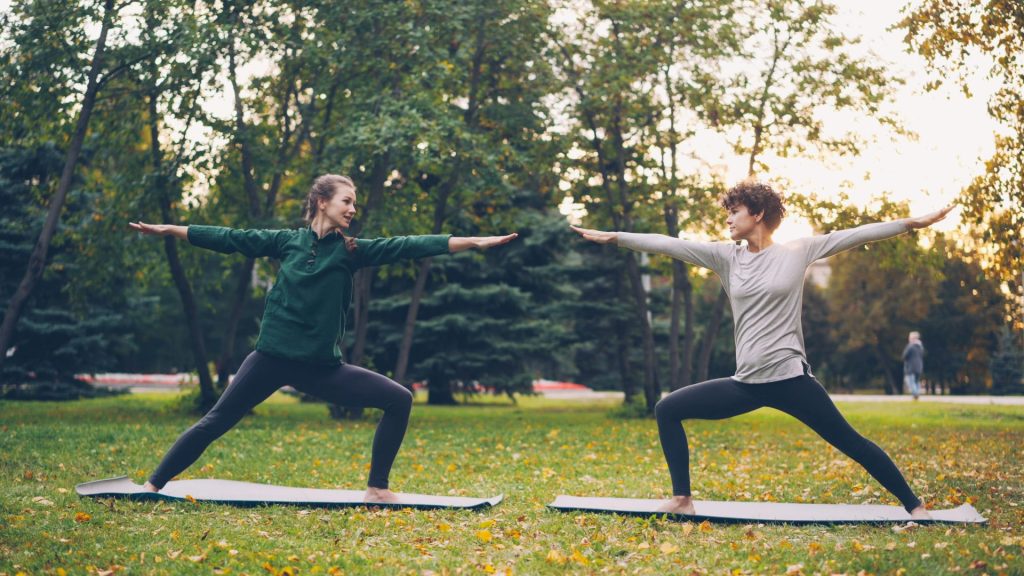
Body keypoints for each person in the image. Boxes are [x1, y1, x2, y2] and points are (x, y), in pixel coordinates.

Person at [571, 180, 952, 520]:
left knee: (851, 442)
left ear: (757, 213)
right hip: (746, 383)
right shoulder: (726, 257)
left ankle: (914, 505)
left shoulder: (798, 251)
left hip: (791, 380)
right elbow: (671, 244)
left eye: (734, 211)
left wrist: (911, 224)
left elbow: (854, 234)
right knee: (668, 409)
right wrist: (617, 237)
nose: (728, 219)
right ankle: (682, 497)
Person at [130, 174, 517, 503]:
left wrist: (472, 241)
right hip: (270, 359)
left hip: (319, 368)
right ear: (321, 202)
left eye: (354, 203)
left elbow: (409, 244)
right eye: (346, 201)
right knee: (214, 422)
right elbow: (231, 238)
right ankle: (152, 484)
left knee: (399, 399)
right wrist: (170, 229)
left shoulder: (350, 252)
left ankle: (378, 489)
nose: (352, 209)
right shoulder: (287, 242)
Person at [902, 331, 925, 400]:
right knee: (916, 381)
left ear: (913, 338)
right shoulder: (920, 347)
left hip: (910, 367)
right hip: (919, 366)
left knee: (910, 381)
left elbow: (904, 355)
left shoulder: (910, 346)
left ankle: (915, 394)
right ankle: (917, 393)